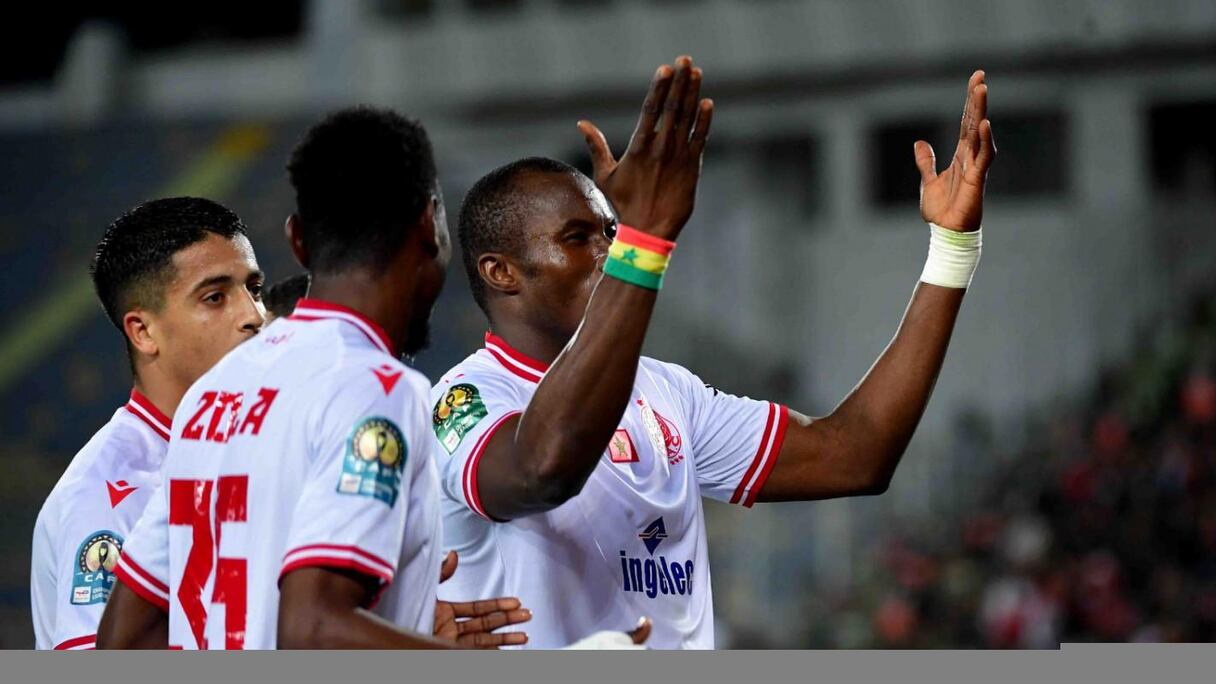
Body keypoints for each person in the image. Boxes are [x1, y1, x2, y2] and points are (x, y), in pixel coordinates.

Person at [432, 57, 995, 648]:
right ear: (500, 272)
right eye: (578, 238)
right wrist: (645, 240)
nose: (609, 252)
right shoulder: (464, 401)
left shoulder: (668, 392)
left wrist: (953, 249)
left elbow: (857, 455)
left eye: (613, 233)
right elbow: (541, 471)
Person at [98, 107, 637, 650]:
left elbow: (124, 640)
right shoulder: (375, 387)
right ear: (429, 226)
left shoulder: (214, 393)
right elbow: (313, 626)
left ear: (298, 241)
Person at [31, 197, 267, 650]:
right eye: (215, 297)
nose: (253, 316)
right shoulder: (107, 494)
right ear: (143, 332)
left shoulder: (250, 453)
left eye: (253, 289)